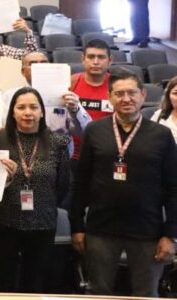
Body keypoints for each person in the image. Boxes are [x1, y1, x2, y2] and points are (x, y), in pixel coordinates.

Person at [71, 69, 177, 297]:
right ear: (109, 97)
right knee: (99, 292)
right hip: (101, 229)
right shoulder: (94, 130)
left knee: (146, 293)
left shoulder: (161, 135)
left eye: (131, 93)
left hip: (148, 230)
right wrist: (77, 226)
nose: (126, 99)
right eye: (119, 94)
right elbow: (81, 181)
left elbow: (173, 188)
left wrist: (171, 235)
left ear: (143, 94)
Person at [0, 87, 70, 293]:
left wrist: (45, 203)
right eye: (21, 107)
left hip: (43, 222)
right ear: (12, 112)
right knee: (4, 281)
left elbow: (63, 185)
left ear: (42, 112)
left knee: (35, 282)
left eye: (33, 107)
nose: (28, 112)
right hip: (5, 220)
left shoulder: (57, 142)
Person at [70, 39, 114, 161]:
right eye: (91, 57)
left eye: (101, 57)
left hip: (106, 153)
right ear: (83, 59)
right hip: (74, 154)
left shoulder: (118, 86)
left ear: (110, 60)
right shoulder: (70, 82)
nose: (96, 62)